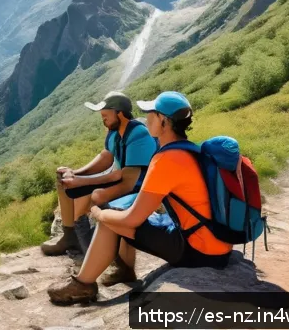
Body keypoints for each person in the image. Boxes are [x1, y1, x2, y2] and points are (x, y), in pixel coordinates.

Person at [47, 91, 232, 305]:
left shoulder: (166, 160)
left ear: (163, 121)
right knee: (116, 214)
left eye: (151, 114)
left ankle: (83, 284)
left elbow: (132, 220)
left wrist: (97, 212)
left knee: (110, 218)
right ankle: (120, 272)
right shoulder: (190, 150)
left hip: (198, 250)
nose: (146, 118)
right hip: (213, 242)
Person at [40, 91, 157, 273]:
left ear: (119, 113)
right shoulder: (114, 132)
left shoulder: (139, 135)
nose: (102, 119)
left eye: (105, 115)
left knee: (85, 196)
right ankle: (70, 236)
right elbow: (106, 157)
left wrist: (82, 181)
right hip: (120, 178)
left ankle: (93, 257)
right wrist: (75, 173)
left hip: (137, 185)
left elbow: (126, 179)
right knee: (63, 179)